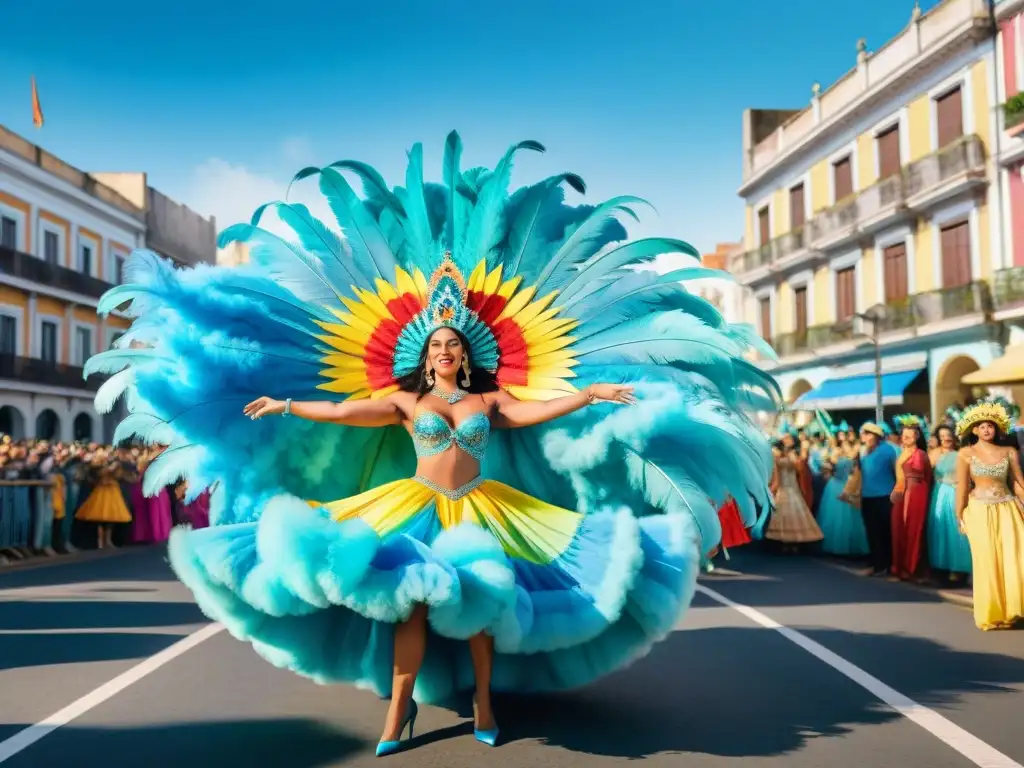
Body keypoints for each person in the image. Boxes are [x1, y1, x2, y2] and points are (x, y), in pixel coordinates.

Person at [87, 133, 778, 755]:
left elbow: (541, 409)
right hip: (415, 506)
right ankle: (399, 711)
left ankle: (481, 703)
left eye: (454, 344)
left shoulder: (489, 400)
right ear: (424, 353)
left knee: (482, 609)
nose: (446, 350)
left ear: (467, 352)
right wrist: (285, 402)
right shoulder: (404, 400)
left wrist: (593, 395)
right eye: (437, 344)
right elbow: (341, 411)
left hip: (484, 508)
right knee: (411, 606)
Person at [954, 401, 1024, 631]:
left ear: (997, 429)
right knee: (986, 561)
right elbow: (962, 487)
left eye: (990, 426)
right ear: (973, 430)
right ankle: (992, 613)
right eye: (982, 426)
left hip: (1008, 509)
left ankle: (1014, 609)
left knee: (1015, 559)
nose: (986, 430)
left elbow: (1018, 484)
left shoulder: (1009, 452)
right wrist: (960, 515)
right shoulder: (966, 453)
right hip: (979, 511)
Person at [890, 415, 932, 582]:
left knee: (914, 530)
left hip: (916, 494)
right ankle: (899, 567)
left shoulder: (921, 455)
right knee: (899, 530)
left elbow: (927, 477)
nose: (905, 438)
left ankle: (913, 568)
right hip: (900, 494)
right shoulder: (900, 453)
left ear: (917, 436)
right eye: (904, 435)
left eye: (909, 435)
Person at [927, 424, 971, 582]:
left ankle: (959, 568)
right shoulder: (934, 454)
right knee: (939, 528)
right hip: (938, 494)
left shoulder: (961, 454)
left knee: (955, 529)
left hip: (954, 492)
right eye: (942, 435)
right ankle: (940, 567)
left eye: (948, 434)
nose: (946, 438)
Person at [765, 441, 824, 551]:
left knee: (787, 516)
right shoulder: (780, 458)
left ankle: (789, 544)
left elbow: (800, 469)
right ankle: (790, 544)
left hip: (789, 489)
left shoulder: (784, 457)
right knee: (791, 516)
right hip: (788, 489)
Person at [857, 423, 898, 577]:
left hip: (885, 496)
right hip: (867, 497)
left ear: (877, 436)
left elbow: (896, 472)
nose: (865, 438)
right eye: (864, 434)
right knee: (872, 532)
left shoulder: (888, 449)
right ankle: (877, 564)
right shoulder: (863, 451)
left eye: (868, 434)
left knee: (886, 531)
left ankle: (889, 565)